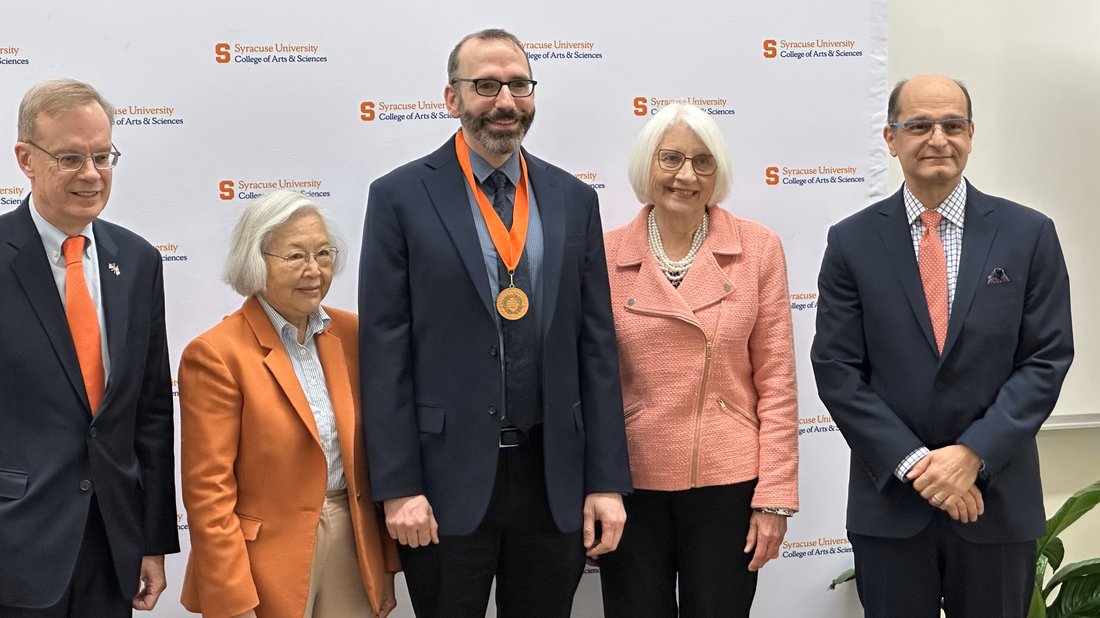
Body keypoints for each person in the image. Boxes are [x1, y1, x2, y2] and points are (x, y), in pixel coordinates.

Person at [359, 27, 632, 617]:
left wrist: (605, 480)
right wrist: (399, 486)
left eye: (518, 84)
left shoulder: (572, 199)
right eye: (485, 85)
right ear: (452, 99)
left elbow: (597, 348)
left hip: (552, 476)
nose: (505, 101)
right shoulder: (399, 197)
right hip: (443, 483)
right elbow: (384, 352)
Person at [811, 75, 1074, 617]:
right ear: (890, 138)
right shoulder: (851, 241)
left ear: (971, 135)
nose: (938, 139)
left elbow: (1045, 360)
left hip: (997, 504)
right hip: (891, 508)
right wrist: (917, 465)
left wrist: (972, 455)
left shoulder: (1029, 234)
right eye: (919, 126)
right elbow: (836, 368)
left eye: (953, 125)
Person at [597, 104, 799, 617]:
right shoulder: (602, 254)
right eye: (671, 159)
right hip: (631, 484)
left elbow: (777, 382)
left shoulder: (758, 249)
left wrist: (774, 497)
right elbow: (589, 384)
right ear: (648, 166)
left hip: (729, 486)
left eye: (703, 162)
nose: (686, 175)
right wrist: (593, 485)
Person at [0, 78, 178, 616]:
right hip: (15, 545)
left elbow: (150, 411)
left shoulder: (139, 261)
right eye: (71, 158)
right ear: (25, 159)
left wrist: (152, 540)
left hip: (112, 547)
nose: (92, 175)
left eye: (103, 156)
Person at [178, 189, 399, 618]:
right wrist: (231, 599)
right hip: (261, 561)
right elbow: (209, 495)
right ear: (255, 262)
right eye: (295, 256)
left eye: (323, 253)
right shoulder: (216, 354)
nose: (314, 270)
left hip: (352, 544)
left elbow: (377, 459)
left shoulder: (352, 335)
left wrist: (385, 564)